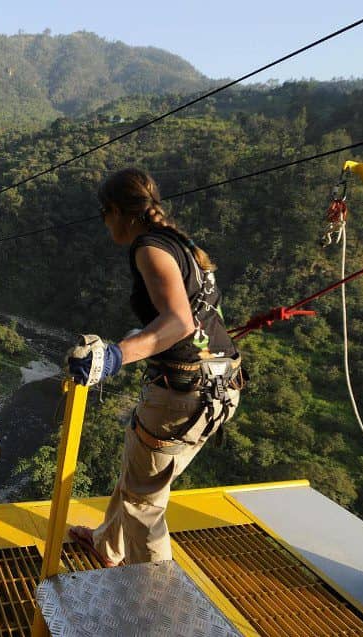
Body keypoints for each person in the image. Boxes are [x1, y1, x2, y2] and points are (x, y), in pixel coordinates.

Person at [65, 167, 245, 567]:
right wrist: (147, 334)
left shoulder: (148, 247)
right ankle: (108, 545)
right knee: (139, 479)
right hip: (222, 384)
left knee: (144, 504)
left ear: (116, 210)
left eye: (104, 213)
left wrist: (114, 356)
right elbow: (195, 319)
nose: (105, 222)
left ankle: (152, 603)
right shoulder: (180, 242)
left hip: (182, 394)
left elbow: (179, 322)